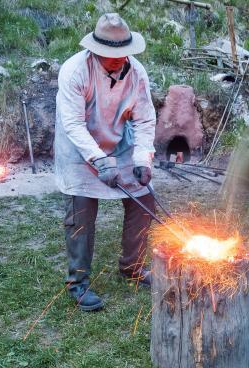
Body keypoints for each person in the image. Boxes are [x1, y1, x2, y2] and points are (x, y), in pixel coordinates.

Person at [54, 13, 156, 312]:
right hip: (79, 146)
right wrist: (98, 160)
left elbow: (146, 119)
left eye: (121, 53)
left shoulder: (137, 74)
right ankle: (78, 283)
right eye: (110, 54)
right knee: (81, 212)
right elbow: (72, 124)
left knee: (144, 199)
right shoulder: (75, 71)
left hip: (118, 140)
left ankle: (132, 267)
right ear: (95, 50)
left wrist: (142, 159)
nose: (117, 59)